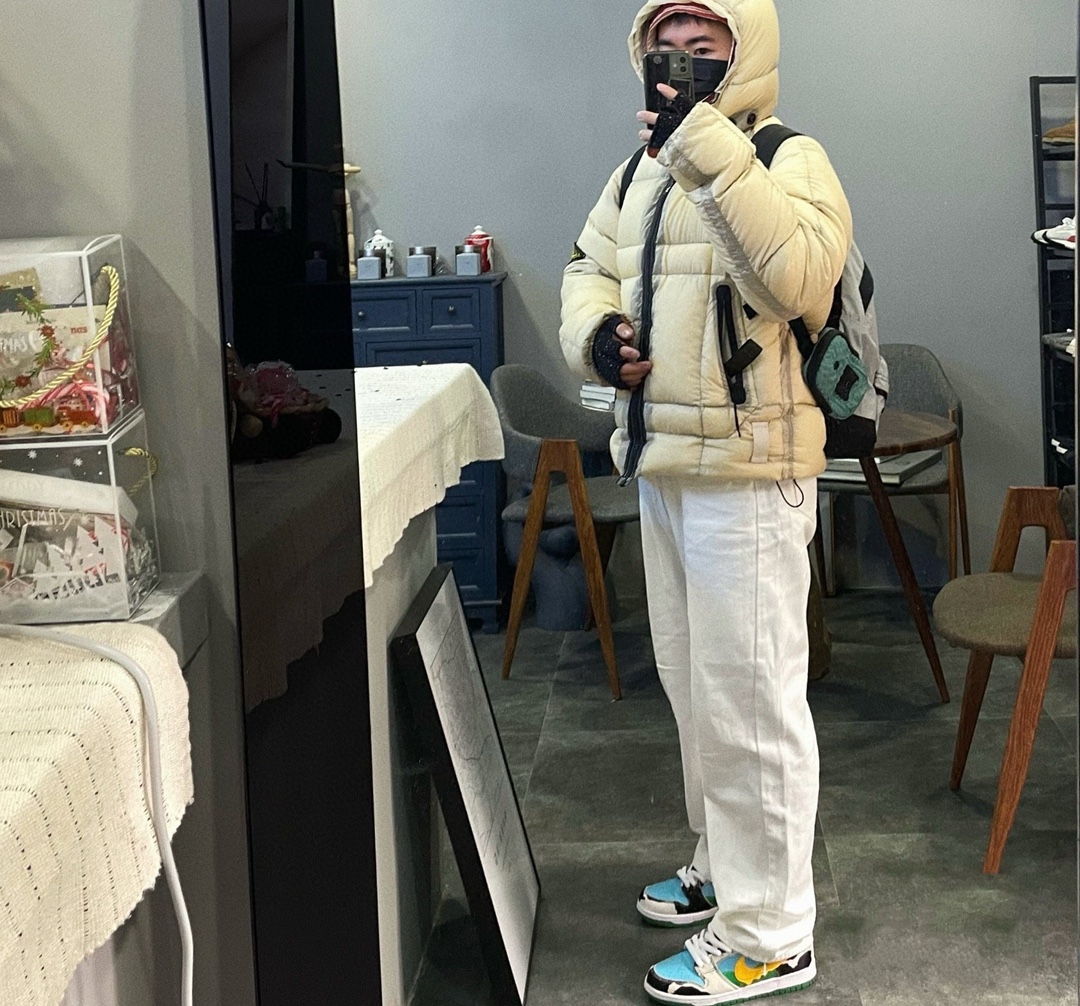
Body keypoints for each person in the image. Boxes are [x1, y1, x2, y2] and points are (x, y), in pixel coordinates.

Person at [559, 1, 853, 1002]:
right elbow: (587, 267)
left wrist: (706, 145)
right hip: (666, 463)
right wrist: (598, 340)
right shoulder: (637, 169)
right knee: (697, 690)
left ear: (744, 49)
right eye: (665, 46)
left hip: (752, 466)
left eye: (704, 46)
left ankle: (771, 933)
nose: (678, 62)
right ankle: (727, 867)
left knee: (752, 703)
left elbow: (799, 281)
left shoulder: (787, 155)